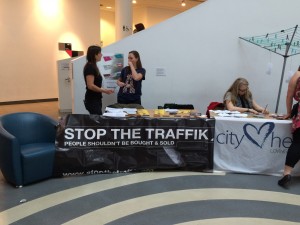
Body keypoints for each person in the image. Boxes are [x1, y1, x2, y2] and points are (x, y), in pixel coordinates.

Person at [278, 70, 300, 187]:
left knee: (297, 143)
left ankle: (287, 174)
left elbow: (289, 95)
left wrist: (289, 112)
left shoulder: (298, 74)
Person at [83, 45, 114, 115]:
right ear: (95, 55)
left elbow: (95, 84)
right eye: (100, 53)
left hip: (95, 99)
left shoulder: (93, 66)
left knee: (96, 120)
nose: (101, 55)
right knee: (97, 121)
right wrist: (104, 91)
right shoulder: (90, 67)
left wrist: (105, 90)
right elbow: (90, 85)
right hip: (92, 100)